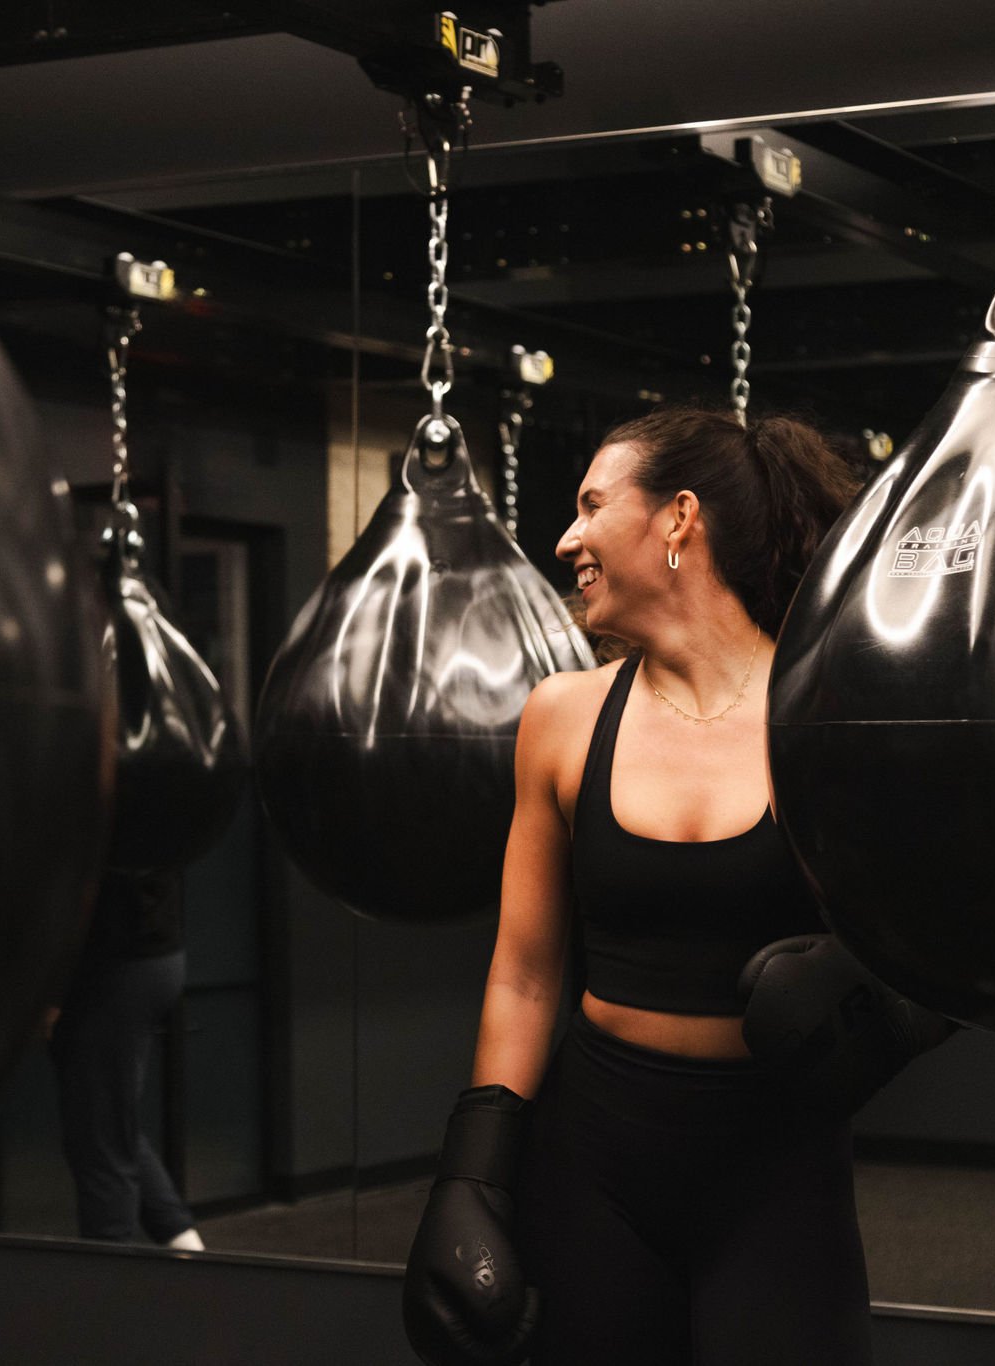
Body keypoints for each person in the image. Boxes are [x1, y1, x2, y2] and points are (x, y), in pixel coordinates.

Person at [400, 406, 951, 1366]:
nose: (566, 537)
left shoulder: (826, 718)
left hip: (776, 1166)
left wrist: (884, 993)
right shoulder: (562, 719)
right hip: (593, 1162)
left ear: (678, 520)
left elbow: (957, 937)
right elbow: (525, 973)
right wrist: (474, 1172)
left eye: (590, 505)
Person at [48, 867, 205, 1251]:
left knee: (99, 1139)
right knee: (108, 1120)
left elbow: (80, 889)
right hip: (145, 955)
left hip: (117, 965)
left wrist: (50, 992)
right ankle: (183, 1242)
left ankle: (108, 1281)